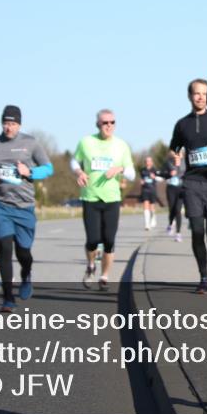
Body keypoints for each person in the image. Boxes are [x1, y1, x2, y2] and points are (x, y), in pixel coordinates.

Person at [0, 105, 54, 312]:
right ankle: (8, 298)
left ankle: (26, 274)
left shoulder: (31, 143)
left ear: (19, 124)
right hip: (0, 205)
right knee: (4, 248)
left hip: (25, 206)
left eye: (12, 124)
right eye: (6, 123)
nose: (9, 127)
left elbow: (48, 168)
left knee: (24, 253)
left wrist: (29, 171)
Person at [168, 78, 207, 294]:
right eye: (197, 93)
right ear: (190, 96)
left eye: (204, 93)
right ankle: (203, 276)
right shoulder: (182, 124)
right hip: (193, 183)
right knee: (197, 231)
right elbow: (174, 148)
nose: (201, 97)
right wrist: (175, 157)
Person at [71, 108, 135, 290]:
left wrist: (119, 169)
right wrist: (79, 171)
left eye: (112, 122)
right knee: (92, 240)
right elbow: (74, 161)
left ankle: (105, 276)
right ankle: (91, 266)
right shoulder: (86, 142)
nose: (109, 126)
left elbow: (131, 173)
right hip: (90, 197)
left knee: (109, 240)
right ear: (98, 124)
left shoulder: (121, 145)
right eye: (105, 122)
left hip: (112, 199)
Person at [162, 151, 186, 241]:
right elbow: (162, 174)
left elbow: (189, 174)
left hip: (181, 188)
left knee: (178, 210)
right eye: (176, 153)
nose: (177, 155)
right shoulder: (168, 162)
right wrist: (169, 174)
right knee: (172, 209)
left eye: (179, 153)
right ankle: (170, 223)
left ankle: (178, 233)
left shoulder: (185, 162)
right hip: (171, 188)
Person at [138, 157, 163, 230]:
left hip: (152, 190)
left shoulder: (155, 170)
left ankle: (153, 217)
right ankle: (147, 224)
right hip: (145, 190)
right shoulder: (142, 170)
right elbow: (142, 179)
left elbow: (161, 179)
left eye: (149, 161)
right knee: (145, 206)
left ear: (152, 162)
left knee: (152, 207)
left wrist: (154, 177)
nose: (147, 162)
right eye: (146, 161)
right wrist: (141, 181)